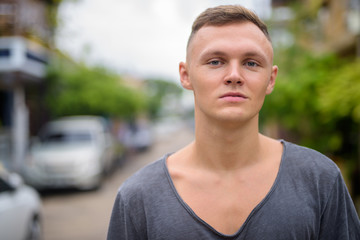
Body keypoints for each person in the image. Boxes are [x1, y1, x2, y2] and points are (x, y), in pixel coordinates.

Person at [107, 5, 360, 239]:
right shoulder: (138, 198)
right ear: (186, 76)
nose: (234, 76)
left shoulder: (320, 180)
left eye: (251, 63)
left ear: (271, 79)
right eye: (215, 61)